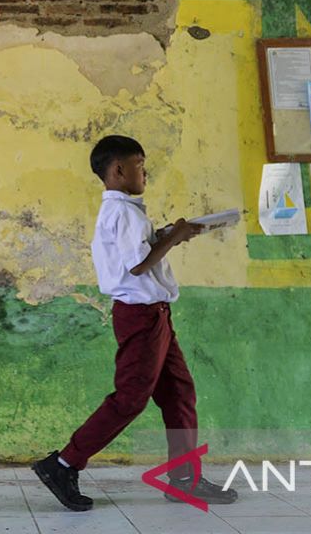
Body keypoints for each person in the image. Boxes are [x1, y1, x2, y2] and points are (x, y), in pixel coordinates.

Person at [32, 135, 237, 511]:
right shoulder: (123, 211)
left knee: (178, 393)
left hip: (155, 315)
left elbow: (140, 252)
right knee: (129, 399)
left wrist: (166, 235)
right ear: (118, 170)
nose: (146, 171)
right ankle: (63, 464)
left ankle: (184, 478)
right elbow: (137, 265)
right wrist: (174, 237)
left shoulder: (126, 210)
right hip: (141, 317)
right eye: (140, 164)